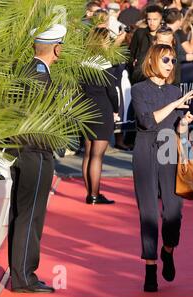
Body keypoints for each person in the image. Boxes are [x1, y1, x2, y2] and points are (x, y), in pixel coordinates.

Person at [7, 24, 67, 294]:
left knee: (21, 215)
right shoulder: (40, 76)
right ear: (56, 48)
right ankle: (24, 278)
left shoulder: (26, 71)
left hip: (22, 151)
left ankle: (20, 274)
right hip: (36, 152)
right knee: (30, 217)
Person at [131, 44, 193, 292]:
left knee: (173, 211)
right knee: (147, 213)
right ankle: (150, 268)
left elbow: (179, 128)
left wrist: (184, 124)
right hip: (145, 151)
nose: (170, 64)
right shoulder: (139, 90)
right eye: (166, 59)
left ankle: (168, 250)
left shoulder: (174, 91)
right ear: (153, 60)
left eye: (173, 60)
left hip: (170, 148)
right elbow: (147, 122)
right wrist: (176, 104)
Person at [81, 28, 119, 205]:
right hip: (102, 108)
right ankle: (95, 195)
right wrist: (116, 109)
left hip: (85, 109)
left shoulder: (82, 61)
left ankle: (90, 192)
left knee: (88, 154)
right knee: (97, 156)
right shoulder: (104, 63)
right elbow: (112, 91)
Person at [129, 4, 163, 83]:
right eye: (149, 19)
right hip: (140, 77)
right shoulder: (140, 33)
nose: (151, 22)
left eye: (155, 19)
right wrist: (133, 64)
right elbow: (130, 53)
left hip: (159, 76)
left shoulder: (165, 35)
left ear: (161, 19)